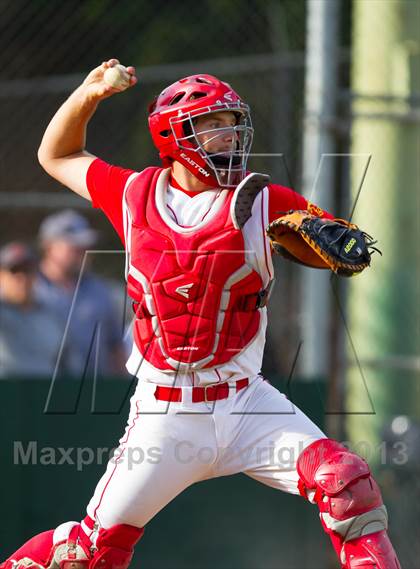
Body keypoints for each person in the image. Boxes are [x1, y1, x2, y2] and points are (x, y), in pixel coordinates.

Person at [1, 60, 401, 569]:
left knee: (345, 483)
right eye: (212, 126)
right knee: (85, 553)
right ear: (174, 136)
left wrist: (331, 240)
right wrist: (88, 95)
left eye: (232, 125)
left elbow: (339, 243)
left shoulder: (262, 200)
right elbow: (55, 154)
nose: (229, 137)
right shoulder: (132, 194)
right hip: (165, 416)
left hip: (246, 402)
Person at [35, 209, 127, 378]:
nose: (83, 254)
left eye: (85, 248)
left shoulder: (99, 291)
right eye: (74, 248)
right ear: (49, 247)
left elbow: (115, 346)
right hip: (37, 392)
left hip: (93, 392)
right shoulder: (27, 288)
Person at [0, 242, 64, 378]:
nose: (22, 278)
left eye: (27, 271)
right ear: (1, 276)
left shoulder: (53, 313)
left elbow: (67, 360)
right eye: (14, 271)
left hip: (46, 395)